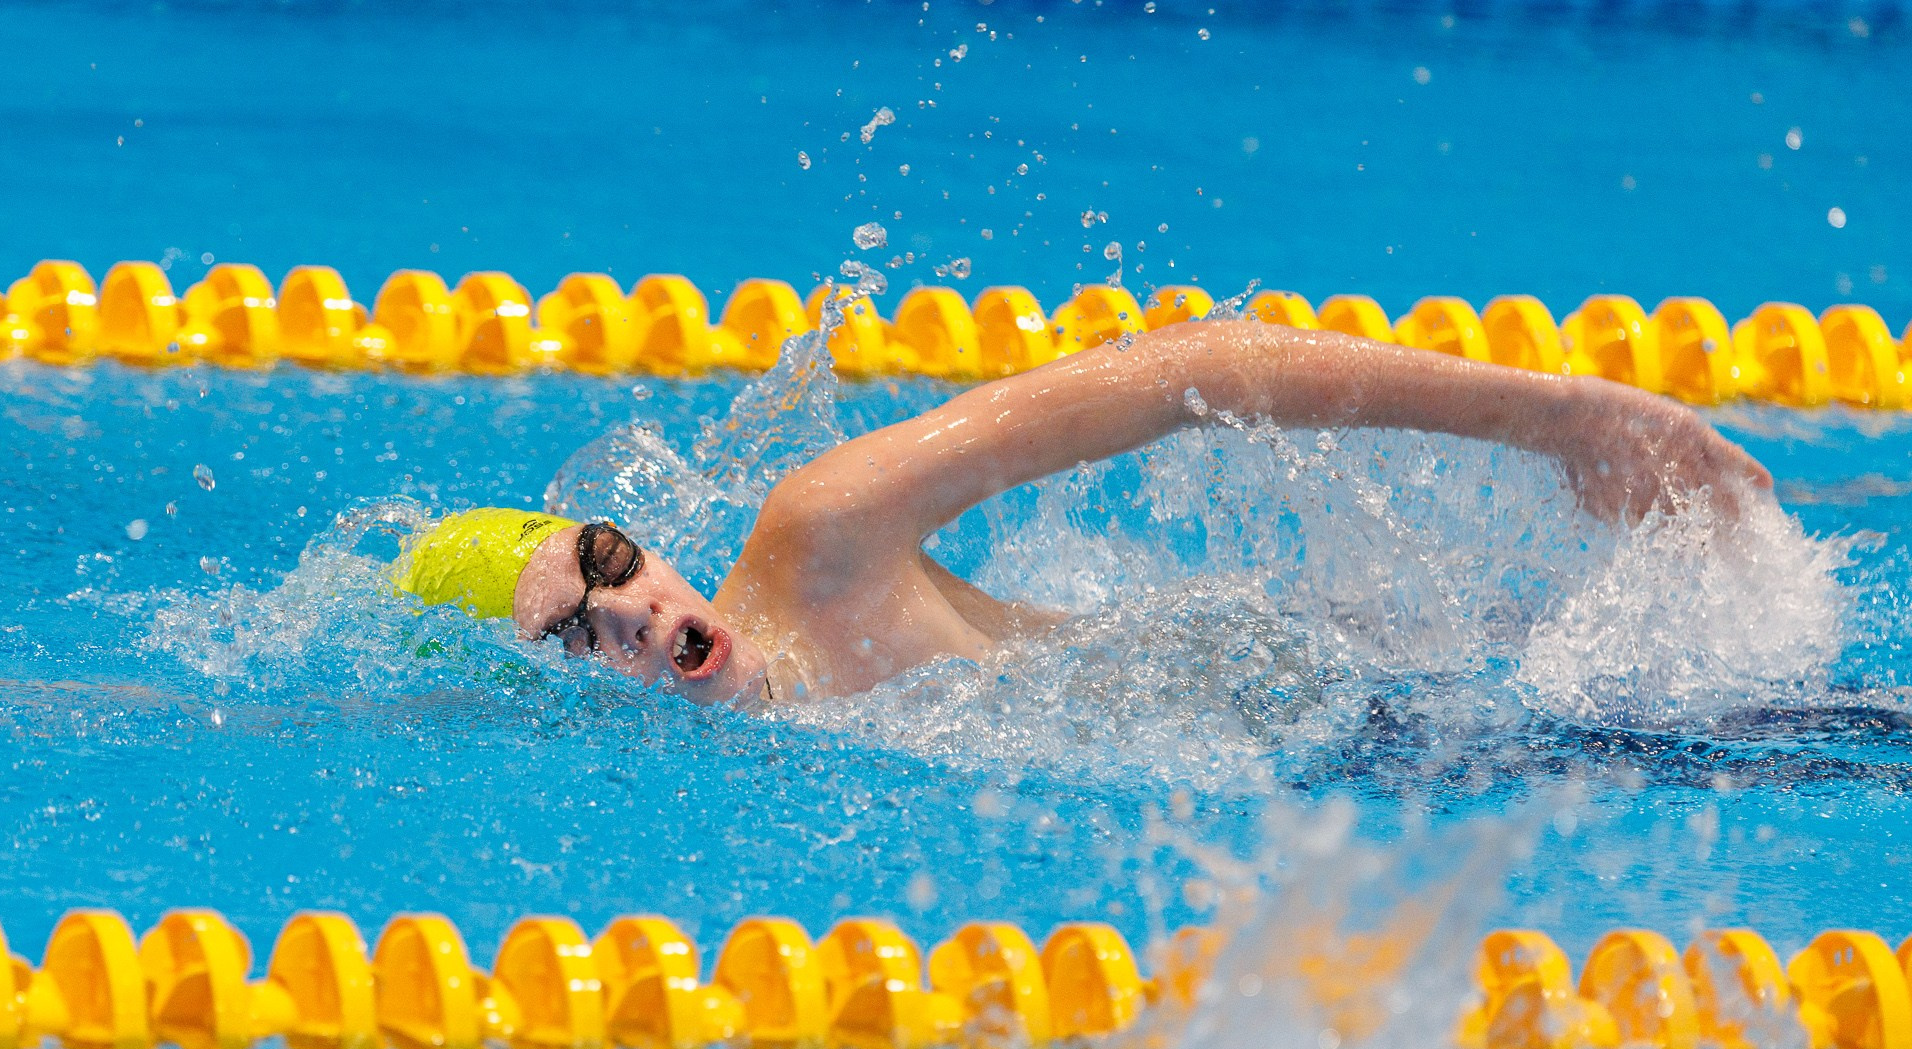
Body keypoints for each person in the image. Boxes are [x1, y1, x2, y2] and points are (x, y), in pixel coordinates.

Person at [395, 317, 1772, 705]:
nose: (632, 613)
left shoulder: (816, 539)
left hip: (1383, 700)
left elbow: (1181, 374)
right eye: (581, 636)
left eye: (611, 563)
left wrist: (1575, 420)